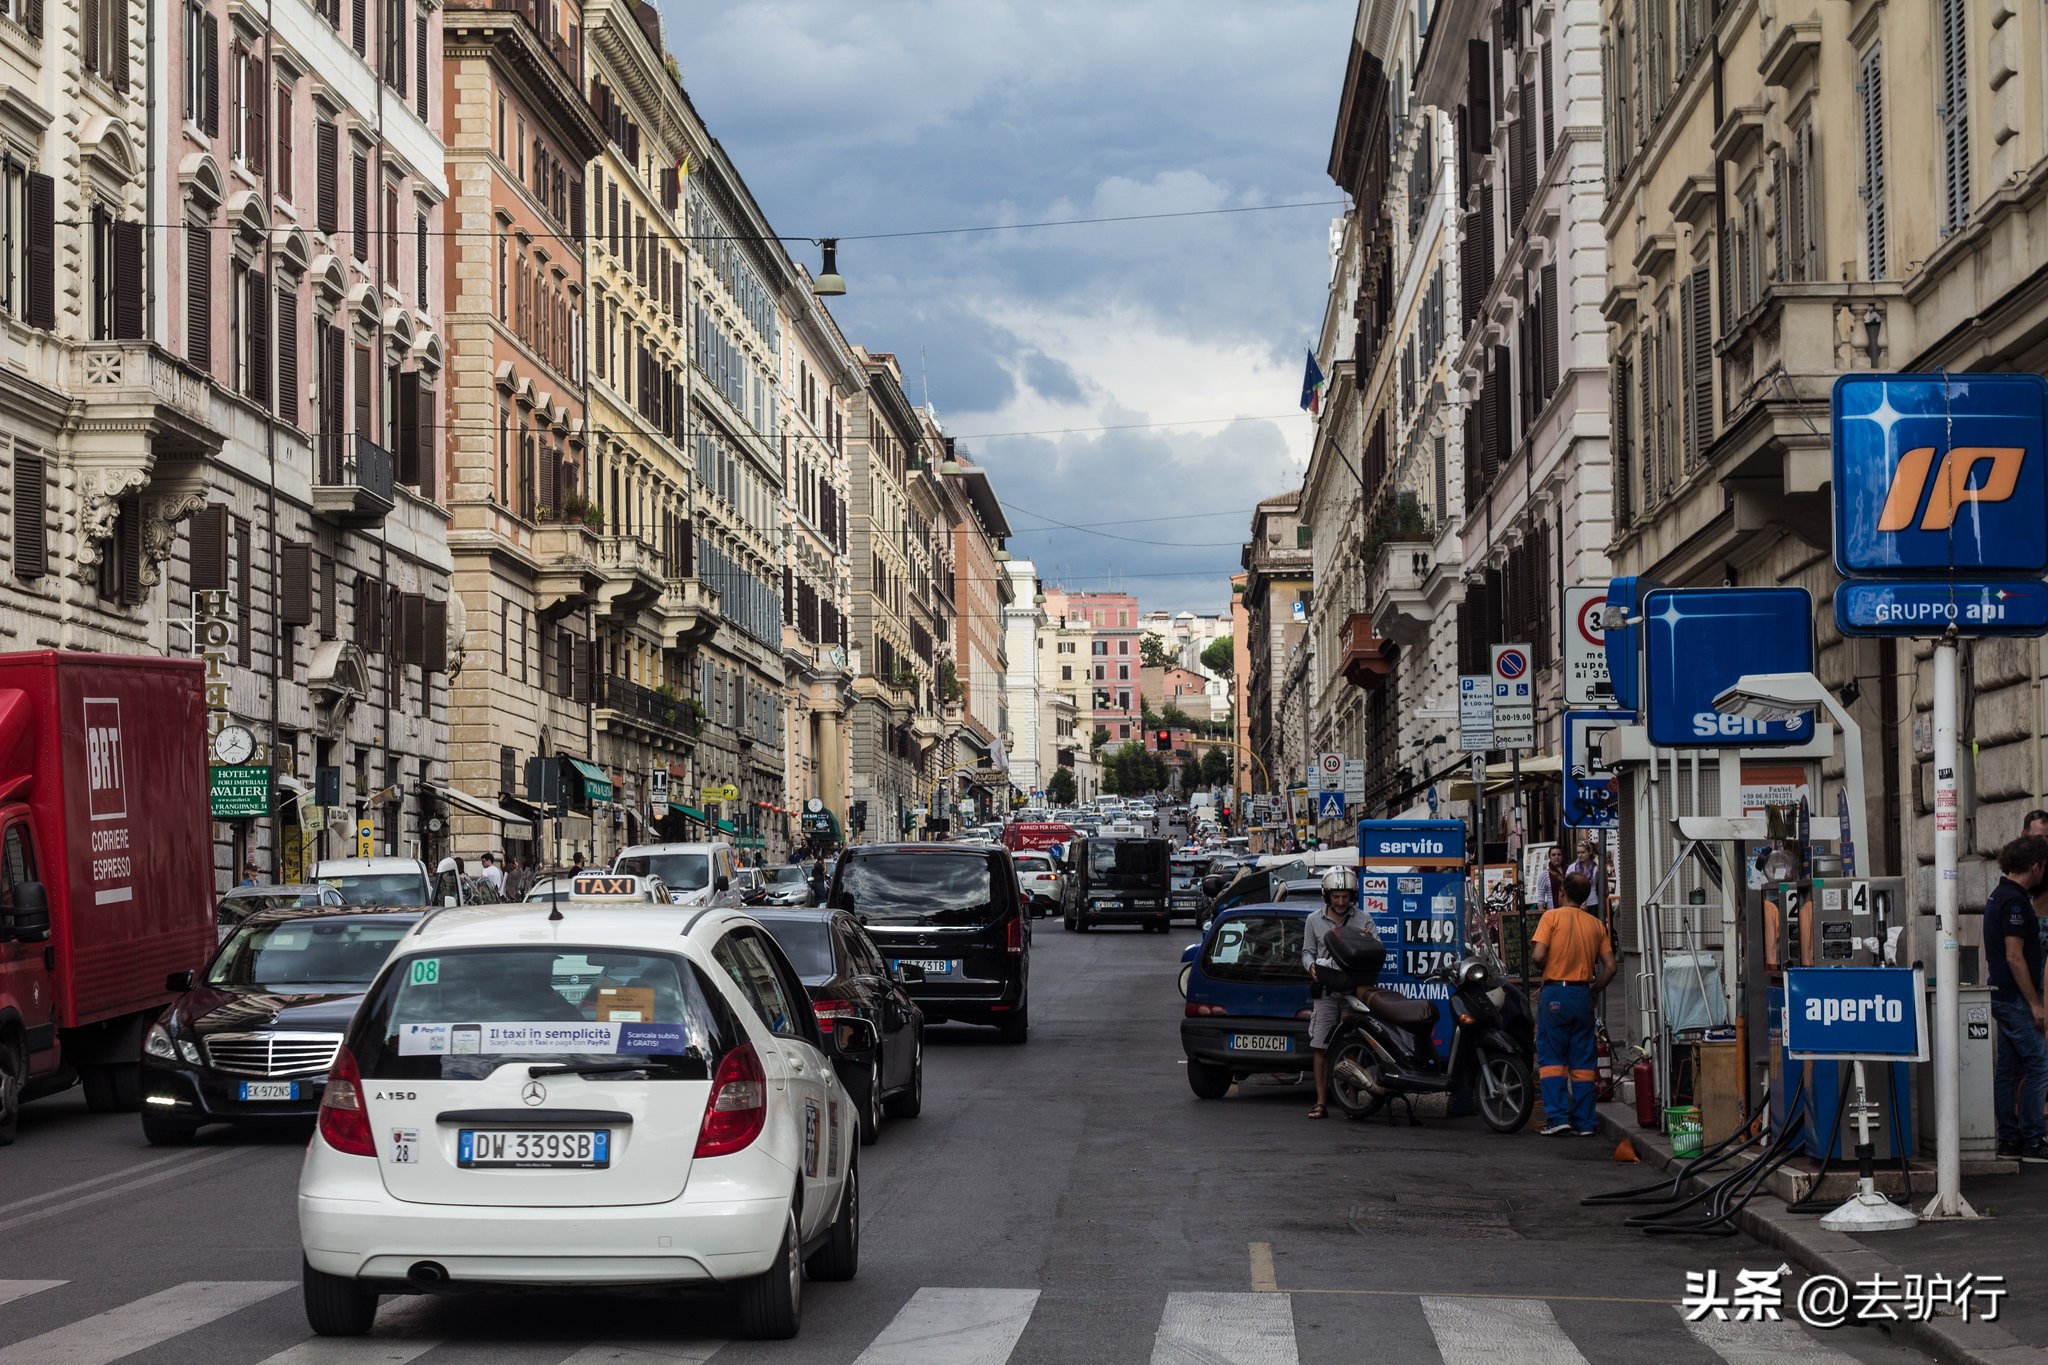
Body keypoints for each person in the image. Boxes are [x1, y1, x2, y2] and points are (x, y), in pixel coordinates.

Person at [1530, 870, 1618, 1136]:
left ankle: (1558, 1118)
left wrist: (1547, 962)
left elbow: (1538, 956)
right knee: (1582, 1062)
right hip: (1582, 995)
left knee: (1553, 1058)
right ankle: (1585, 1122)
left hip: (1556, 993)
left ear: (1561, 892)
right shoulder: (1596, 925)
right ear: (1584, 897)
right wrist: (1594, 990)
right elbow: (1611, 967)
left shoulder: (1551, 917)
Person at [1985, 835, 2048, 1162]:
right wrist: (2035, 1003)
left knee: (2009, 1068)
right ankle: (2033, 1140)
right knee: (2040, 1063)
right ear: (2035, 867)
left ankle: (2010, 1140)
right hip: (2013, 998)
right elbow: (2014, 957)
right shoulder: (2015, 902)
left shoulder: (2000, 895)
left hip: (2002, 994)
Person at [1301, 867, 1358, 1120]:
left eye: (1345, 897)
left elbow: (1378, 949)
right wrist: (1310, 966)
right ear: (1328, 896)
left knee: (1354, 1044)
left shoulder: (1364, 920)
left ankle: (1353, 1100)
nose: (1341, 902)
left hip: (1353, 992)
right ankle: (1321, 1102)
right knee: (1320, 1045)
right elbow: (1306, 952)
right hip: (1325, 991)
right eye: (1336, 897)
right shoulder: (1313, 920)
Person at [1569, 840, 1604, 912]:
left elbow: (1604, 879)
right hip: (1577, 903)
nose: (1580, 855)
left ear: (1589, 852)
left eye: (1583, 852)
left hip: (1593, 902)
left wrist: (1597, 860)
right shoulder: (1572, 867)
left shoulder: (1595, 867)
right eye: (1578, 853)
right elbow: (1567, 886)